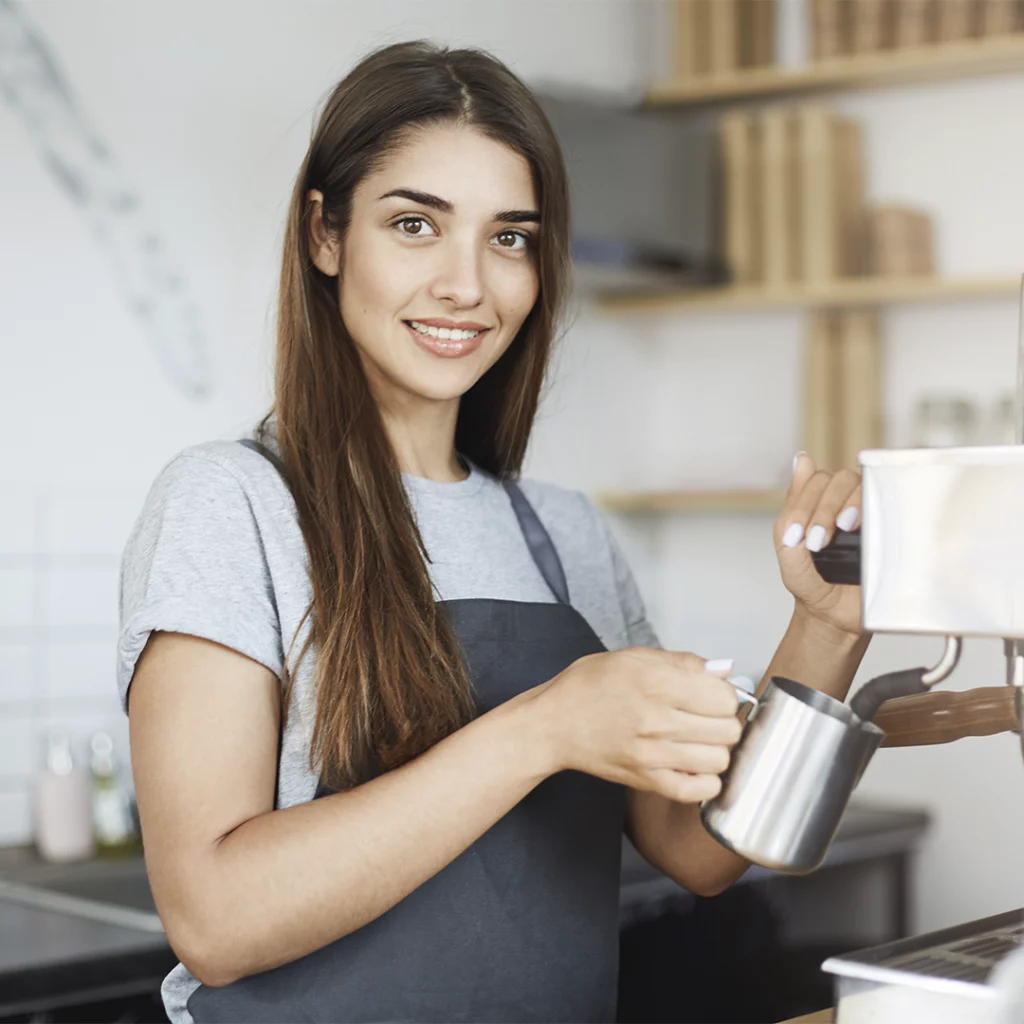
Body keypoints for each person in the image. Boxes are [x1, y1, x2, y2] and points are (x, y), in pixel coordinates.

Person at [117, 40, 869, 1024]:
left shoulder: (562, 534)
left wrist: (829, 626)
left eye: (508, 237)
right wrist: (547, 726)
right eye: (415, 224)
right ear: (325, 234)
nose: (466, 284)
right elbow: (213, 921)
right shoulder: (232, 503)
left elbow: (699, 850)